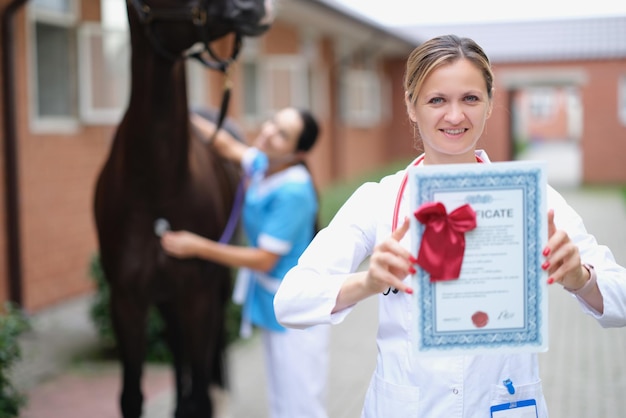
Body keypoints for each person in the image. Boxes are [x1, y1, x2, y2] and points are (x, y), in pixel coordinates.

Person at [273, 35, 626, 418]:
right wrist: (367, 283)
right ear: (410, 105)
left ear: (490, 104)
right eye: (437, 100)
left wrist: (580, 278)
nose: (455, 116)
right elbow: (290, 301)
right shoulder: (379, 200)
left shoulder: (533, 198)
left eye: (470, 99)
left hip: (504, 404)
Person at [160, 107, 330, 418]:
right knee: (281, 402)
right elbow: (225, 145)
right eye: (272, 123)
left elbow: (264, 260)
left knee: (302, 405)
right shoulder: (265, 164)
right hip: (275, 306)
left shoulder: (294, 191)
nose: (267, 132)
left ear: (298, 152)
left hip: (299, 314)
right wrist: (179, 112)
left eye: (282, 134)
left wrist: (198, 246)